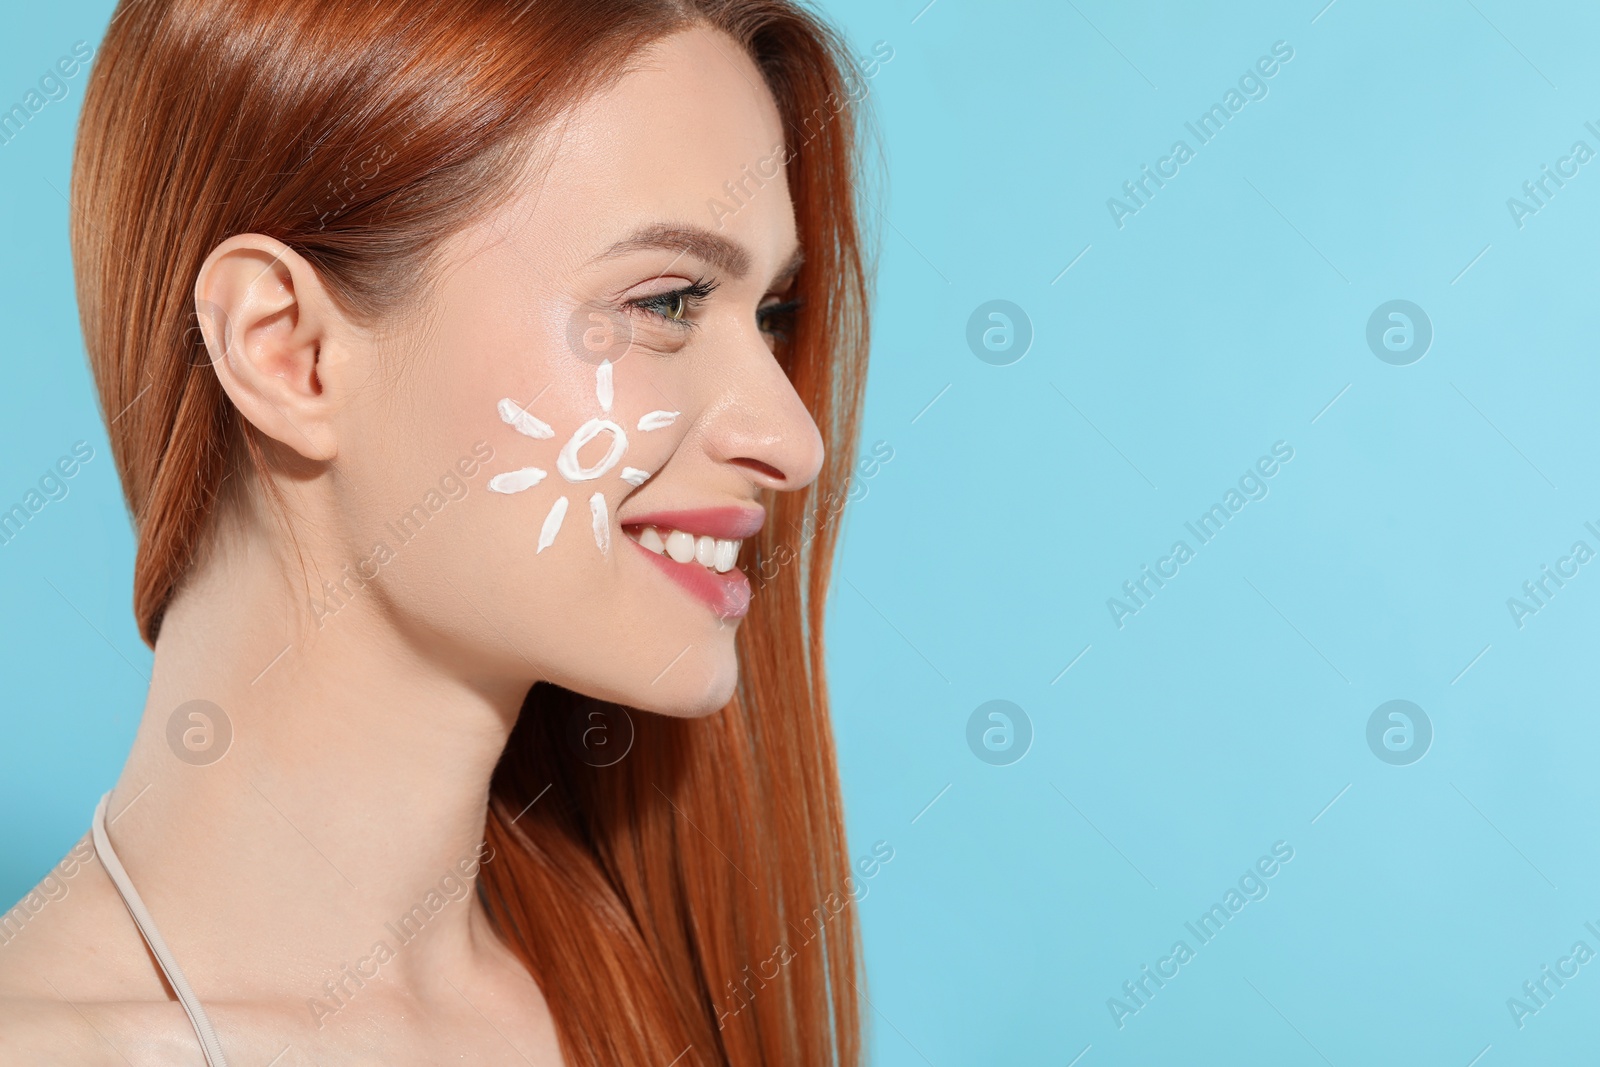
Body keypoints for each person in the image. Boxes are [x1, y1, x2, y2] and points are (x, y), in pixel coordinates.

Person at [0, 0, 875, 1062]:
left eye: (772, 314)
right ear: (288, 351)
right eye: (666, 300)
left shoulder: (674, 1007)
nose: (793, 438)